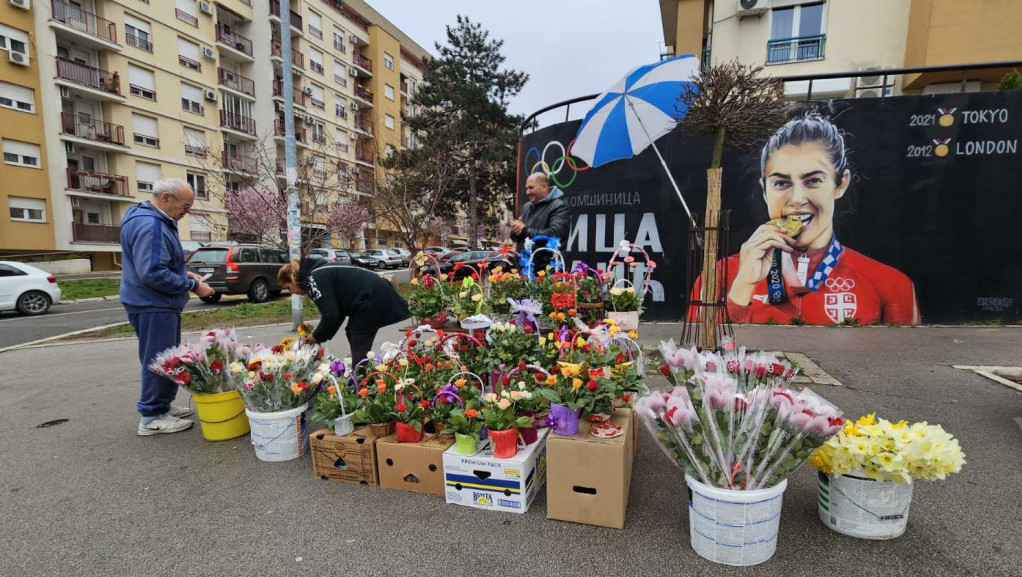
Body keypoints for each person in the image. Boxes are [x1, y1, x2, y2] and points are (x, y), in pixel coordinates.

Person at [691, 113, 919, 325]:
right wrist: (743, 286)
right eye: (781, 183)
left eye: (813, 181)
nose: (797, 199)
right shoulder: (720, 275)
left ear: (841, 184)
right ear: (764, 190)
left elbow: (904, 360)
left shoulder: (890, 284)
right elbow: (699, 355)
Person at [120, 178, 215, 435]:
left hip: (155, 303)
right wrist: (193, 286)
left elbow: (160, 265)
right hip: (153, 304)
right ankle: (151, 417)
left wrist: (187, 275)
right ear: (165, 199)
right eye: (185, 205)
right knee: (157, 360)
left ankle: (162, 406)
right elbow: (153, 273)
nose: (188, 211)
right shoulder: (152, 225)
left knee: (166, 358)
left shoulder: (150, 220)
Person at [277, 257, 411, 363]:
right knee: (353, 333)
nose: (292, 293)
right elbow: (337, 312)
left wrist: (316, 336)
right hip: (371, 294)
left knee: (358, 336)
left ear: (293, 278)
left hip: (370, 296)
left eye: (289, 288)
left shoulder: (313, 278)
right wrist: (319, 336)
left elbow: (331, 315)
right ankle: (362, 377)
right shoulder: (315, 274)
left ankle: (361, 383)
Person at [511, 172, 570, 271]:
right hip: (525, 269)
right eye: (526, 188)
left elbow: (555, 234)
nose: (528, 192)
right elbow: (516, 236)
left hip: (548, 271)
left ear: (544, 187)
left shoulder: (559, 206)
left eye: (531, 188)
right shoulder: (526, 207)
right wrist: (515, 231)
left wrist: (524, 230)